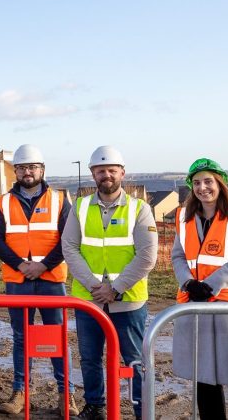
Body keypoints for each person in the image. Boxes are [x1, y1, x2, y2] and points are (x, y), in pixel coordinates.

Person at [61, 145, 157, 420]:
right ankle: (95, 406)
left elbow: (147, 255)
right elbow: (69, 248)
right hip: (90, 300)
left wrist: (115, 288)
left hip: (127, 301)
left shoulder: (140, 209)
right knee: (90, 359)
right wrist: (94, 286)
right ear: (93, 174)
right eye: (100, 170)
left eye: (112, 170)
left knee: (134, 361)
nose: (106, 175)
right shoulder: (79, 208)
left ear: (122, 173)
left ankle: (141, 409)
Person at [170, 158, 228, 420]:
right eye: (197, 183)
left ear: (220, 183)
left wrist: (210, 286)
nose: (203, 188)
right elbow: (177, 256)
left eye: (208, 181)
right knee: (205, 378)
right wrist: (188, 283)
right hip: (196, 305)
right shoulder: (184, 217)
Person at [0, 144, 77, 417]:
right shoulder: (3, 202)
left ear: (42, 170)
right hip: (18, 279)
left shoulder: (60, 200)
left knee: (57, 336)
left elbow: (69, 239)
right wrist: (21, 265)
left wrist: (42, 265)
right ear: (15, 171)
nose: (28, 172)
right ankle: (20, 392)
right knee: (20, 337)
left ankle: (66, 395)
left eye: (33, 167)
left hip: (51, 279)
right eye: (23, 168)